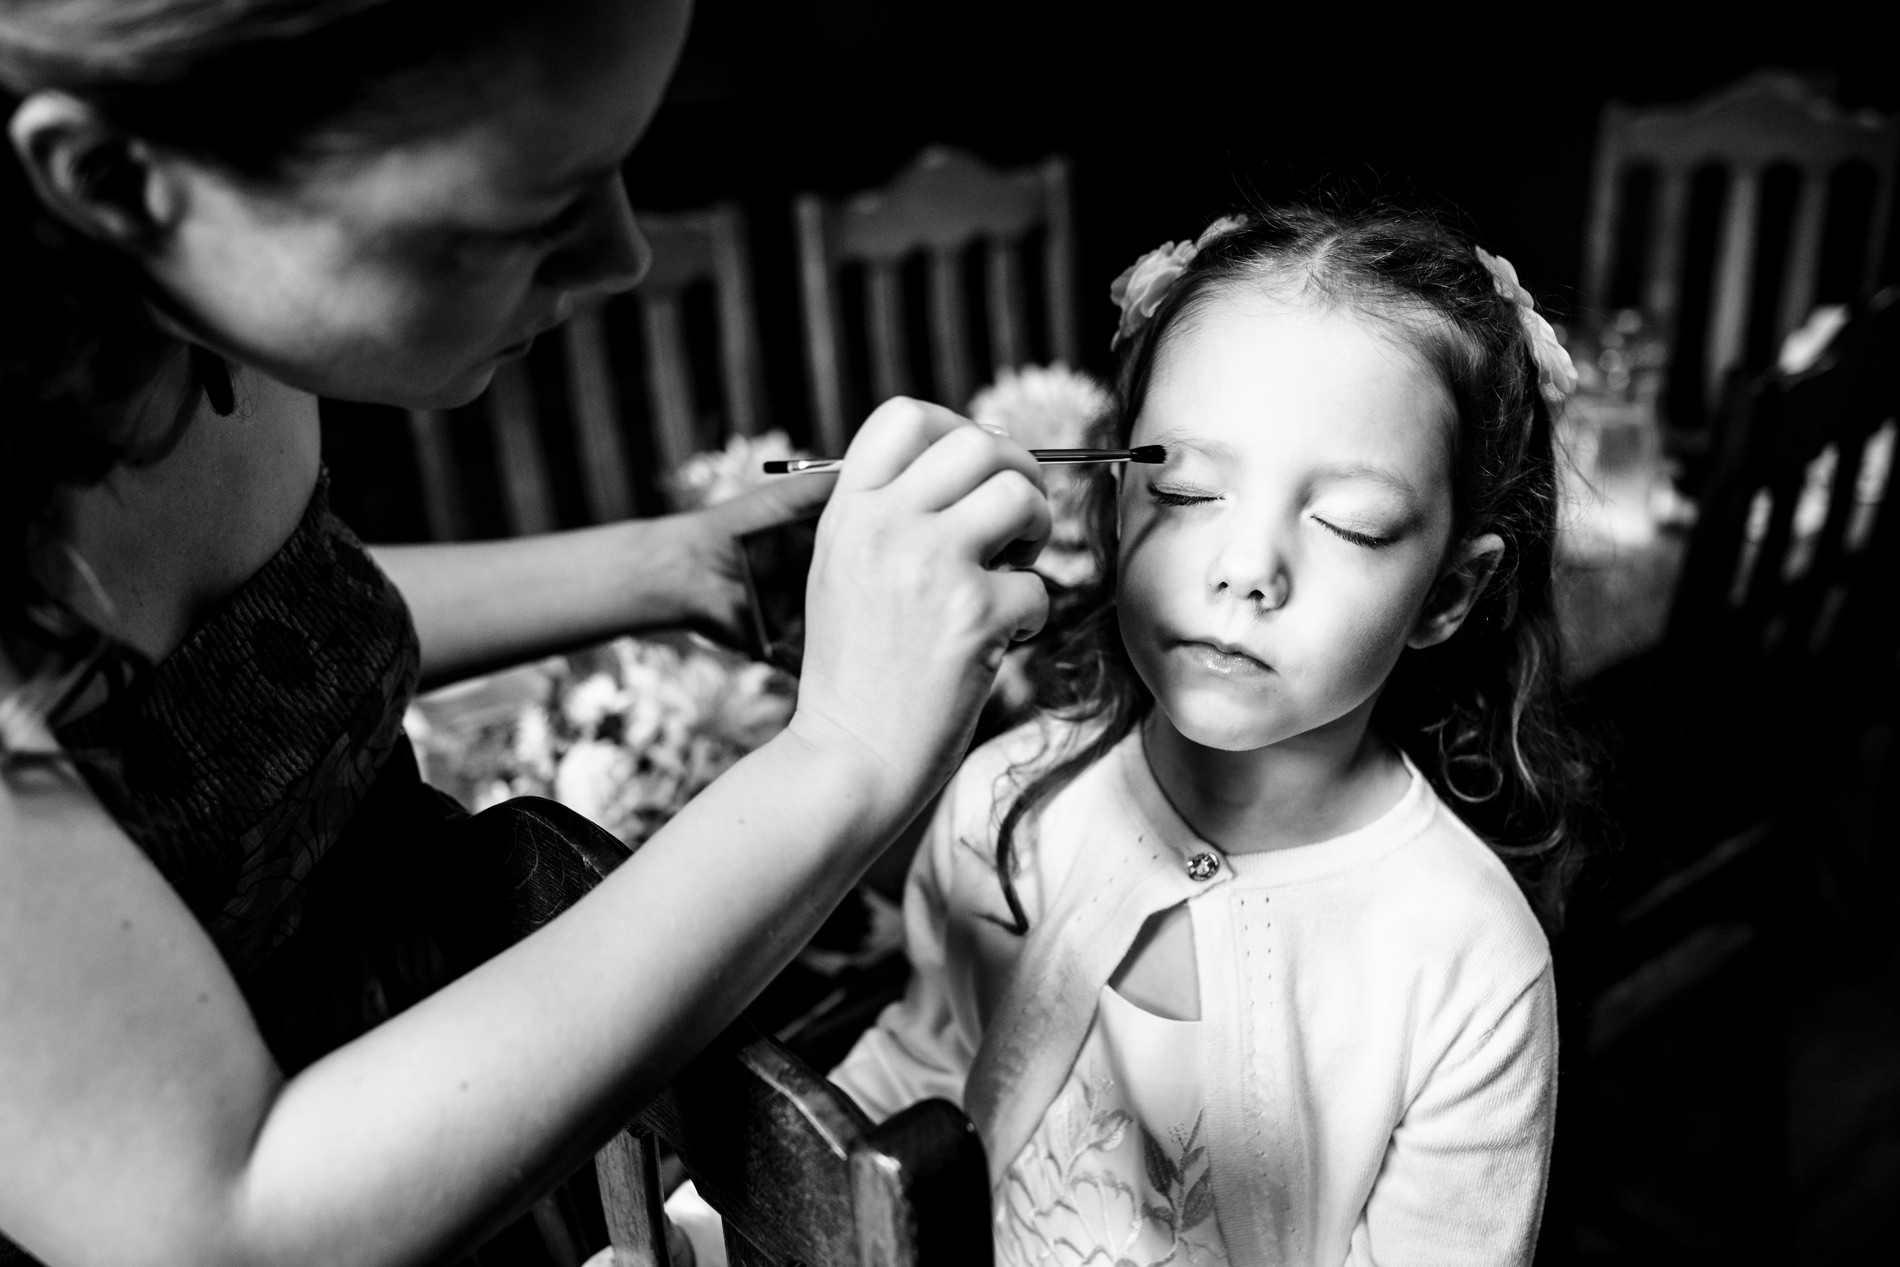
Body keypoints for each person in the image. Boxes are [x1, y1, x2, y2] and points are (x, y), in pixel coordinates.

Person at [0, 2, 1052, 1264]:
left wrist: (657, 567)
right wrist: (843, 754)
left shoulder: (176, 311)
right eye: (528, 211)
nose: (622, 257)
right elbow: (221, 1227)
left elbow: (228, 670)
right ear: (118, 182)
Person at [679, 201, 1602, 1265]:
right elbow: (918, 1074)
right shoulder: (1008, 798)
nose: (1245, 566)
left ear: (1448, 592)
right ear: (1115, 511)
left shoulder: (1468, 966)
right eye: (1186, 489)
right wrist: (709, 1230)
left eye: (1348, 521)